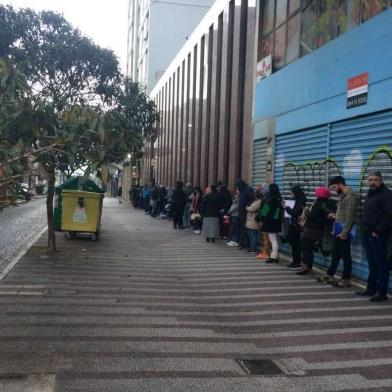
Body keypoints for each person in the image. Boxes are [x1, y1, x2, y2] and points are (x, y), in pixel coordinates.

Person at [356, 171, 392, 302]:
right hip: (366, 233)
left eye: (375, 180)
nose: (372, 182)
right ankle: (371, 288)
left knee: (381, 264)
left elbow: (389, 216)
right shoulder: (370, 194)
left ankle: (382, 293)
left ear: (381, 181)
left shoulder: (386, 194)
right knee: (372, 263)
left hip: (378, 235)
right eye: (370, 180)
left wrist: (378, 231)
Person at [317, 176, 357, 287]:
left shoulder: (350, 197)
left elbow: (350, 217)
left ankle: (346, 279)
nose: (334, 189)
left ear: (339, 184)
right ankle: (330, 275)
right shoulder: (344, 196)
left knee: (346, 256)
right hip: (338, 229)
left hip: (343, 231)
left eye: (334, 187)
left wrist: (344, 233)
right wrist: (335, 215)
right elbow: (344, 214)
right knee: (335, 254)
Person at [296, 187, 335, 276]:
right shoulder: (327, 203)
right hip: (318, 229)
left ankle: (305, 267)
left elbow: (313, 217)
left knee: (306, 247)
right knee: (309, 247)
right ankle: (308, 266)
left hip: (312, 229)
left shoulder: (319, 204)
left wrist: (306, 212)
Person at [285, 185, 307, 269]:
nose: (291, 194)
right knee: (294, 244)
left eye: (292, 192)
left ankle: (296, 262)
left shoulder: (300, 201)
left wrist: (287, 208)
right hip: (294, 225)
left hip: (296, 226)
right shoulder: (299, 200)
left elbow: (295, 212)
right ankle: (295, 261)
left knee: (296, 245)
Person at [260, 183, 283, 263]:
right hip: (276, 221)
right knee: (274, 239)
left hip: (269, 222)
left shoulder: (270, 198)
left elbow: (266, 210)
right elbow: (277, 211)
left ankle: (274, 256)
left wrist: (262, 218)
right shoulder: (278, 198)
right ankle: (275, 255)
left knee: (273, 240)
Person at [235, 179, 255, 250]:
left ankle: (246, 245)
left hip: (246, 212)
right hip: (241, 212)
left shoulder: (248, 190)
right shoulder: (241, 190)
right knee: (242, 229)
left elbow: (251, 200)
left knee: (246, 229)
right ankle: (242, 244)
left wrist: (247, 207)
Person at [256, 183, 271, 260]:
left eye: (262, 189)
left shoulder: (267, 197)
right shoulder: (265, 196)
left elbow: (265, 209)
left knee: (266, 237)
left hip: (266, 220)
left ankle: (266, 253)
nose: (261, 191)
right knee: (265, 237)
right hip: (264, 220)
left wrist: (262, 217)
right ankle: (265, 252)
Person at [246, 189, 262, 253]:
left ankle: (253, 249)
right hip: (252, 220)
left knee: (253, 235)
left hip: (254, 220)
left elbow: (252, 208)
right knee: (252, 234)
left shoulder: (259, 201)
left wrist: (247, 208)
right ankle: (252, 248)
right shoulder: (257, 201)